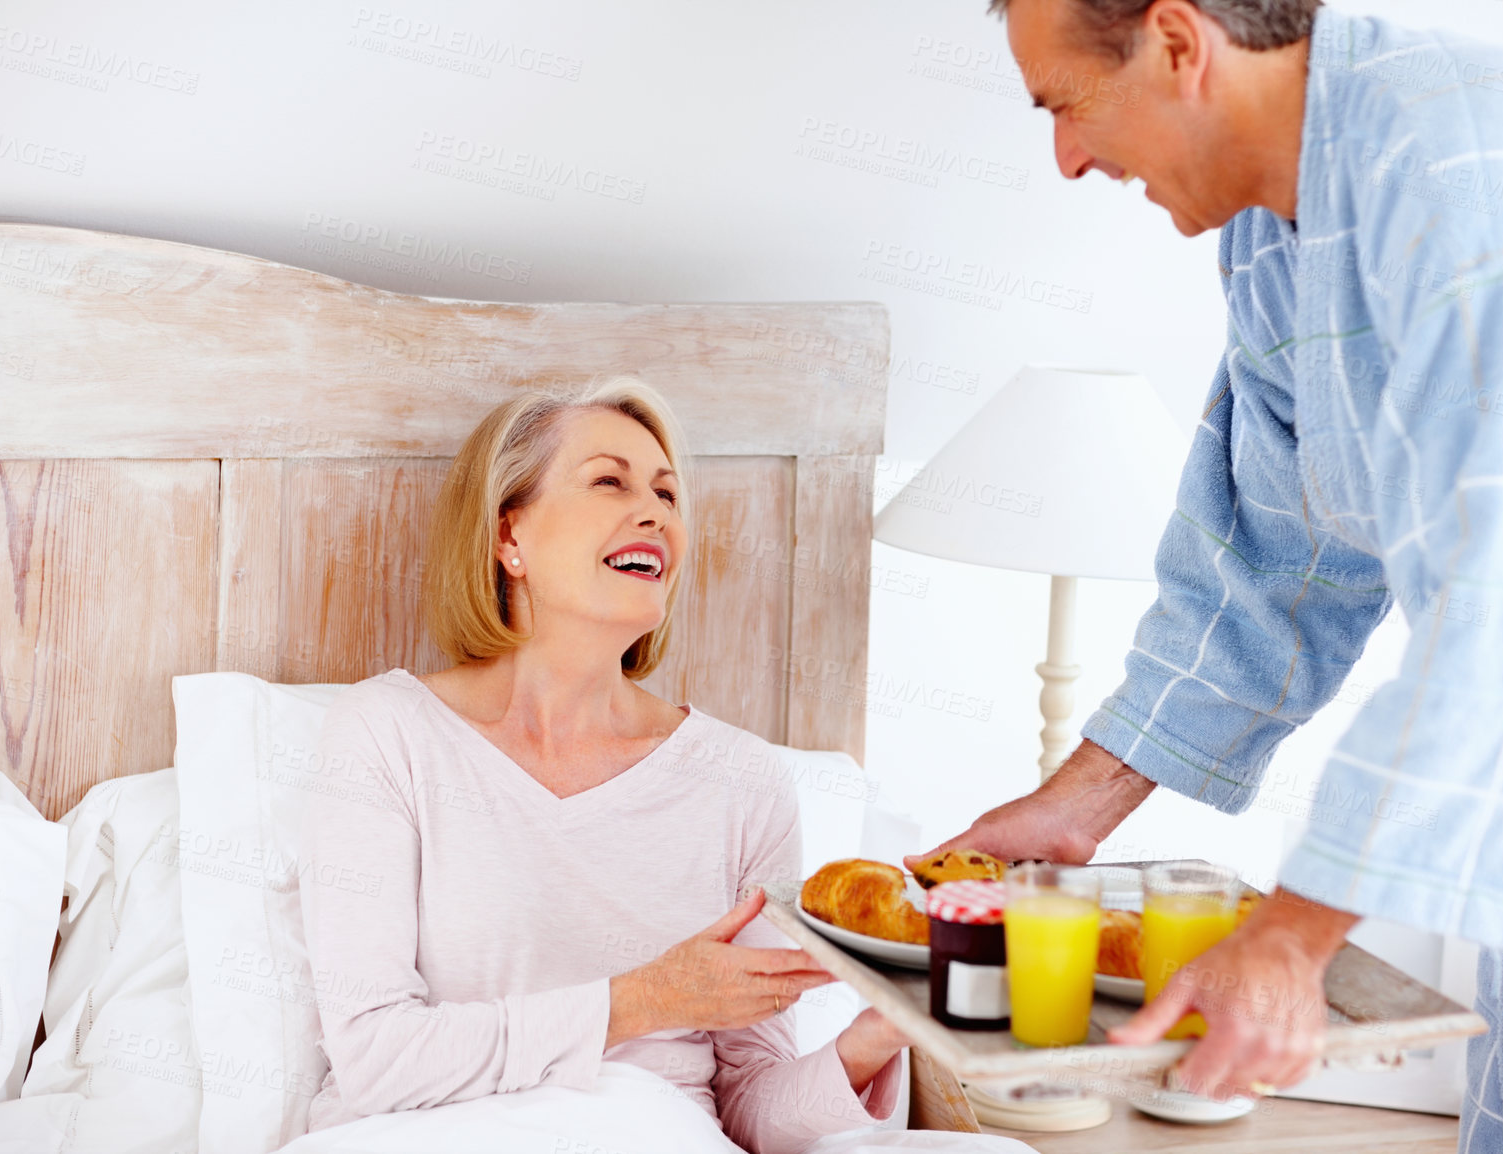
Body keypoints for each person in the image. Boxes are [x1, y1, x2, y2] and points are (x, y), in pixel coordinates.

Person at [911, 2, 1503, 1151]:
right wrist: (1081, 802)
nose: (1067, 158)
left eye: (1063, 103)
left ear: (1178, 41)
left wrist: (1291, 935)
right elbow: (1270, 561)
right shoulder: (1281, 232)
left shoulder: (1471, 166)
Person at [289, 378, 1033, 1153]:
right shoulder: (387, 734)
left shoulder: (741, 782)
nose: (656, 514)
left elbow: (750, 1109)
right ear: (509, 535)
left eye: (668, 495)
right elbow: (375, 1060)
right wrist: (639, 1002)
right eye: (609, 481)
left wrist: (878, 1036)